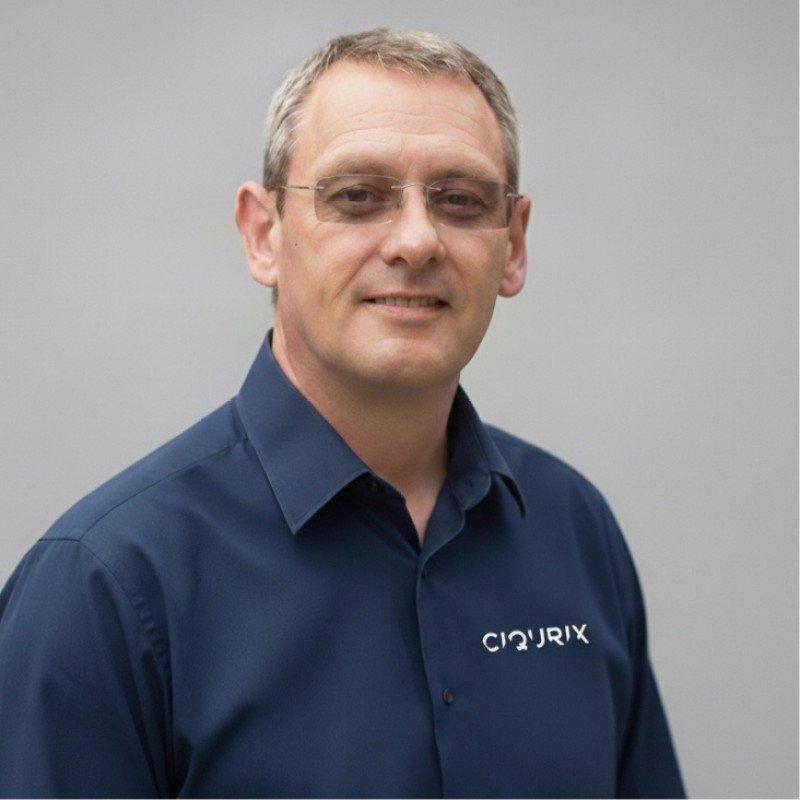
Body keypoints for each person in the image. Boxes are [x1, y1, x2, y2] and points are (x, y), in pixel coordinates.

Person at [0, 27, 686, 798]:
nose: (417, 240)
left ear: (513, 245)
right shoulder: (105, 588)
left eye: (460, 201)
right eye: (358, 196)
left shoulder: (572, 530)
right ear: (264, 235)